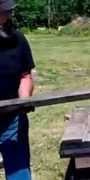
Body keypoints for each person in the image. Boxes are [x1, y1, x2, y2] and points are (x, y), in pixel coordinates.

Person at [0, 0, 35, 179]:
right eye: (2, 12)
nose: (7, 16)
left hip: (12, 119)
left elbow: (25, 75)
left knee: (19, 174)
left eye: (8, 11)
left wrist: (24, 100)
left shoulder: (17, 39)